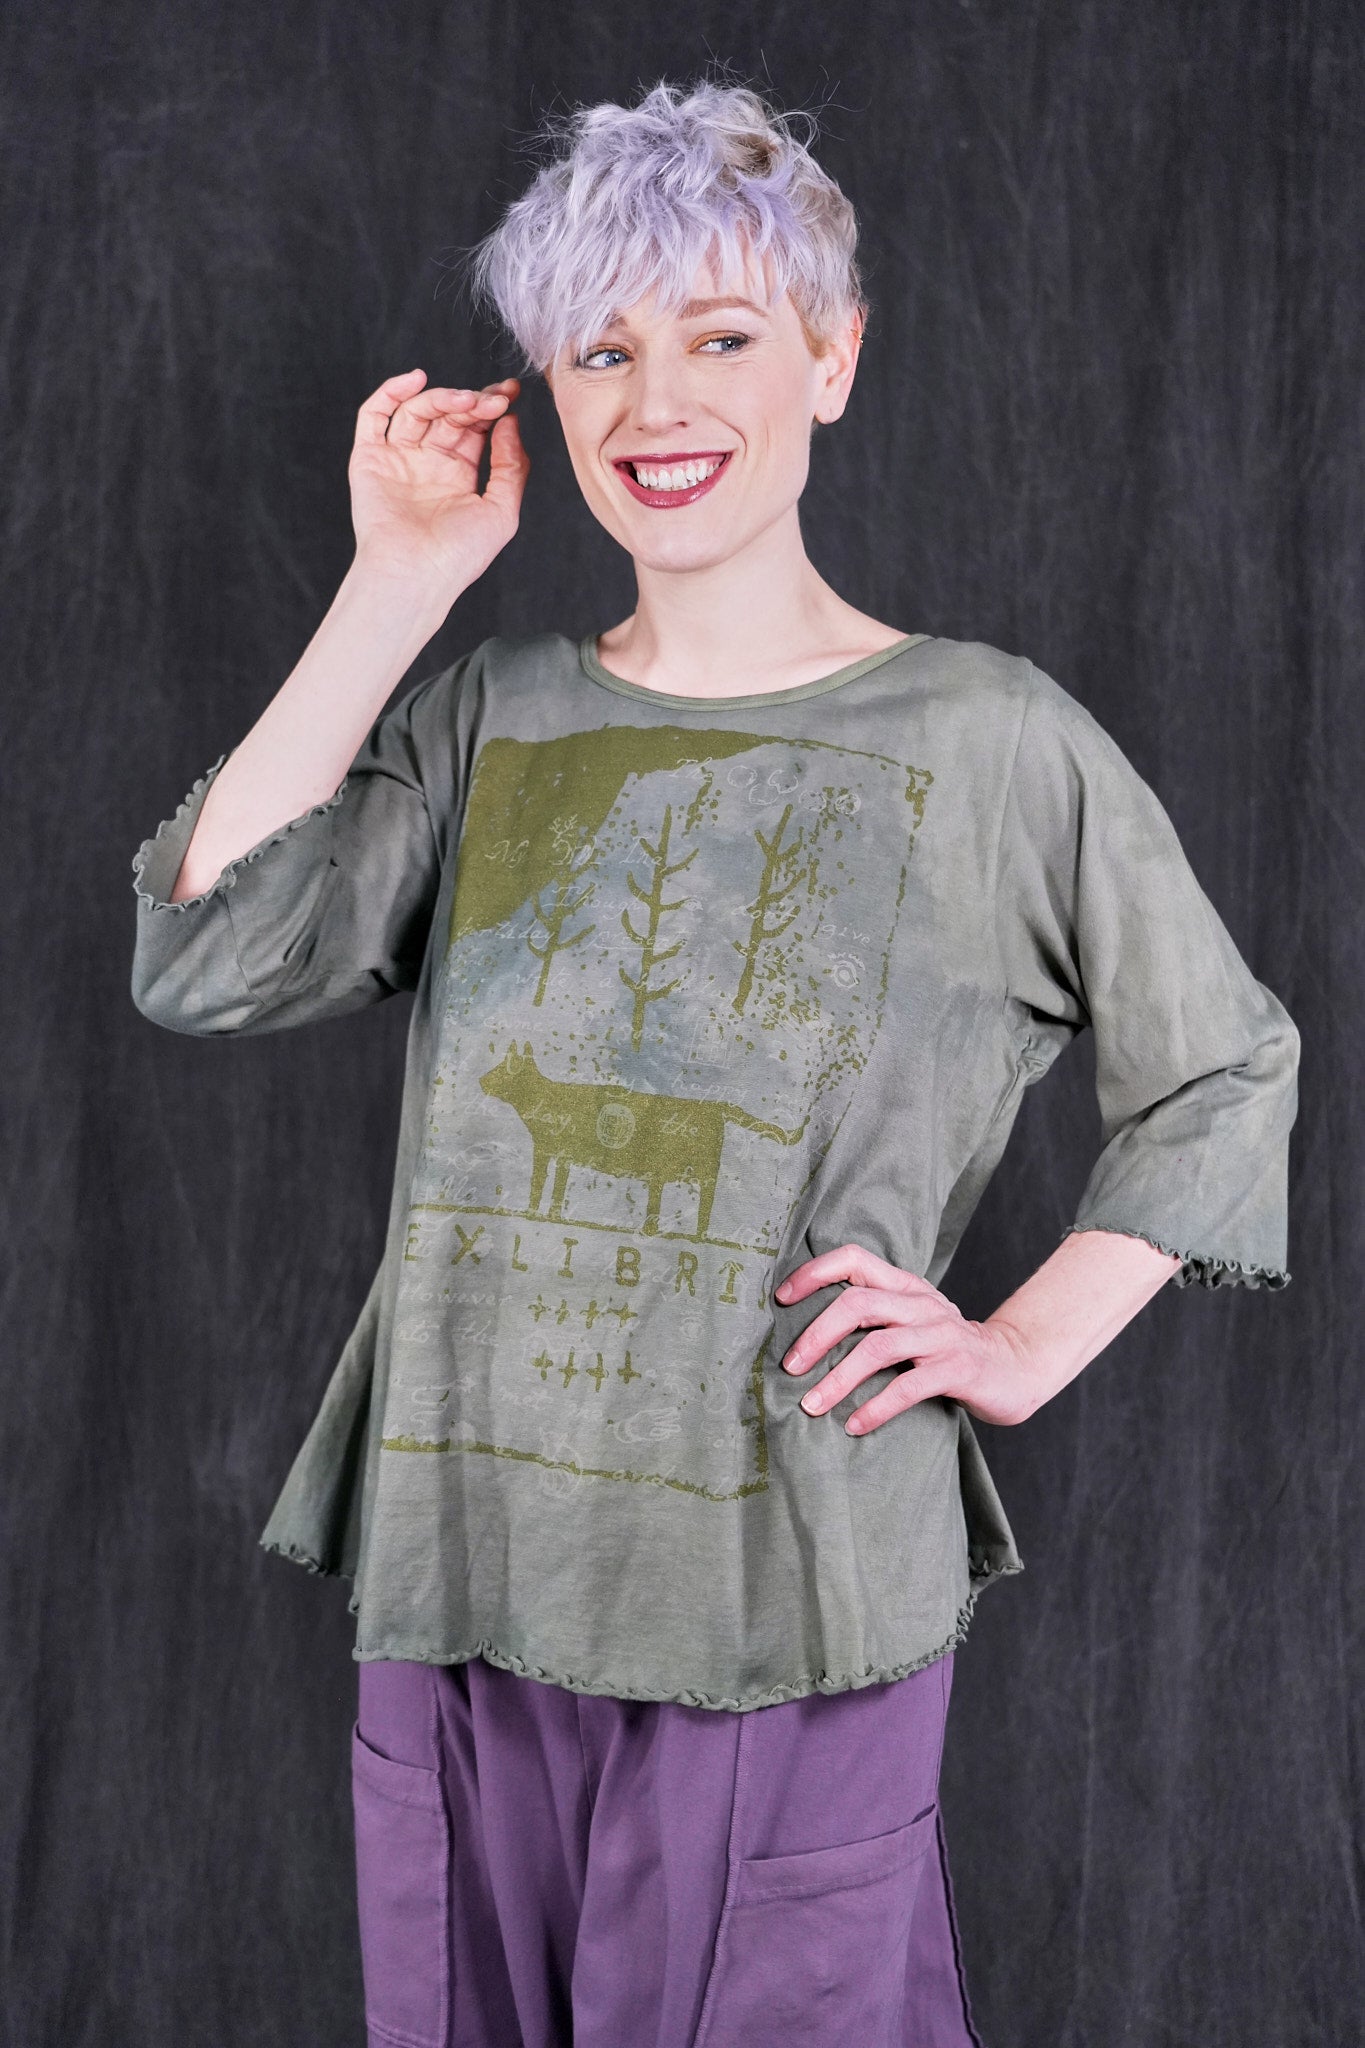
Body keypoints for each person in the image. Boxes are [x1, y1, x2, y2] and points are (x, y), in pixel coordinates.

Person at [128, 75, 1299, 2048]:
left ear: (831, 359)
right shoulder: (488, 712)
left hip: (785, 1595)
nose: (655, 400)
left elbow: (1226, 1066)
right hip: (459, 1576)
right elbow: (208, 956)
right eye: (601, 350)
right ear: (549, 392)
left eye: (721, 336)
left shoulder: (994, 739)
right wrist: (399, 580)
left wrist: (1014, 1345)